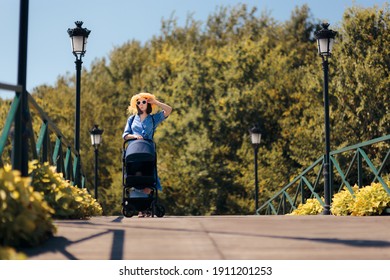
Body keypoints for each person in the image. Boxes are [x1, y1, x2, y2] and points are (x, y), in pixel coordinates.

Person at [122, 92, 172, 217]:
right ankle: (139, 207)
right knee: (134, 170)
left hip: (147, 149)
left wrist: (155, 102)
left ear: (147, 103)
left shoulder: (153, 118)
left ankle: (147, 203)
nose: (141, 104)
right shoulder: (132, 119)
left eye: (143, 102)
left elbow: (168, 110)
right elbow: (125, 135)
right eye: (138, 102)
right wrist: (135, 136)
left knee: (148, 170)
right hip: (134, 149)